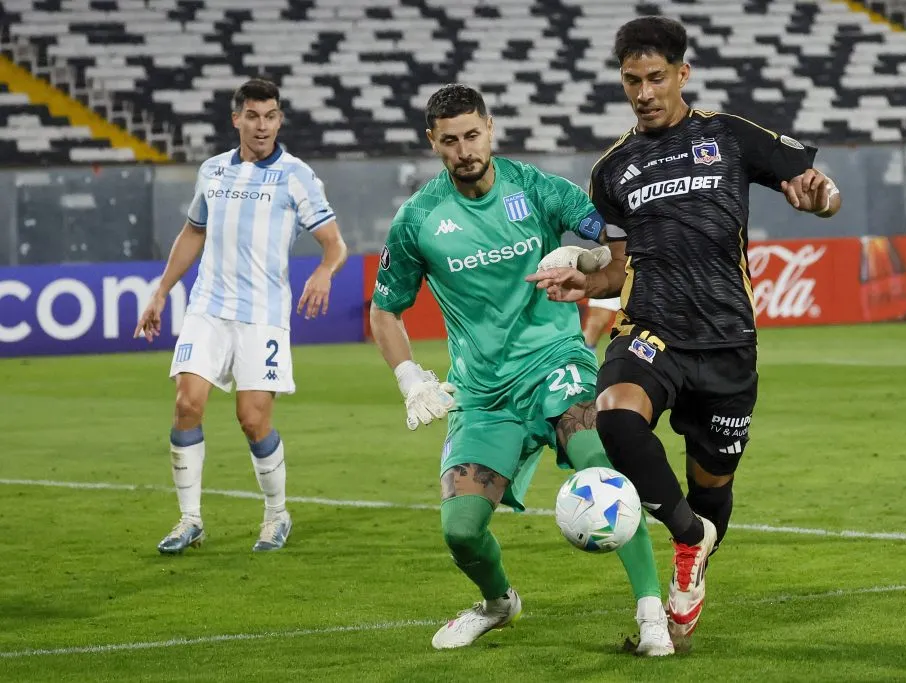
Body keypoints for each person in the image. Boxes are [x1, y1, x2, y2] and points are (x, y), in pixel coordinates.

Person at [527, 16, 841, 643]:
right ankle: (690, 536)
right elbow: (617, 266)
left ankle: (693, 557)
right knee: (615, 416)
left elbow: (820, 189)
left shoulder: (728, 135)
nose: (643, 93)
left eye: (655, 78)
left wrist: (821, 199)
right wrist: (586, 283)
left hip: (727, 339)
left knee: (712, 485)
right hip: (651, 329)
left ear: (682, 74)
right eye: (631, 81)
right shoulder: (612, 169)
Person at [369, 84, 674, 655]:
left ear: (490, 128)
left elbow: (616, 237)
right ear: (433, 142)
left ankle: (652, 611)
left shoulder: (536, 188)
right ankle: (497, 603)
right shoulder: (419, 219)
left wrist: (587, 258)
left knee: (602, 470)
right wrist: (409, 378)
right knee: (461, 531)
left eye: (472, 135)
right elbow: (385, 309)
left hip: (556, 363)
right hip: (483, 392)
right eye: (450, 140)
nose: (465, 150)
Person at [135, 78, 347, 555]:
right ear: (237, 120)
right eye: (253, 116)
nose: (262, 126)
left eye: (271, 116)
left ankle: (276, 514)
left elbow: (335, 244)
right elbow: (193, 232)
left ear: (280, 120)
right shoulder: (212, 171)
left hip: (263, 316)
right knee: (186, 404)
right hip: (208, 308)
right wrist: (161, 292)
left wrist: (324, 272)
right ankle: (190, 519)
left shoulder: (296, 175)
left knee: (252, 419)